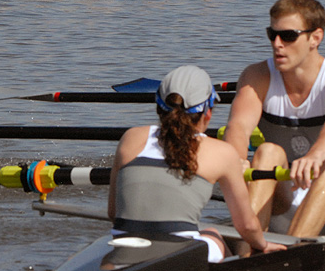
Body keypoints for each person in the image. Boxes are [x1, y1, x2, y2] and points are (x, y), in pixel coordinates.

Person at [224, 0, 325, 248]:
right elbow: (238, 126)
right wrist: (235, 160)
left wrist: (315, 156)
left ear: (316, 38)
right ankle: (245, 259)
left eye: (288, 36)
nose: (277, 44)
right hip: (283, 197)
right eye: (272, 34)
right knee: (266, 151)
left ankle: (288, 258)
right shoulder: (257, 75)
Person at [108, 65, 286, 262]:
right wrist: (263, 244)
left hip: (123, 253)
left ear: (158, 107)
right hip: (180, 259)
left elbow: (114, 213)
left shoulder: (131, 138)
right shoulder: (222, 152)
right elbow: (247, 226)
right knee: (212, 234)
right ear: (208, 112)